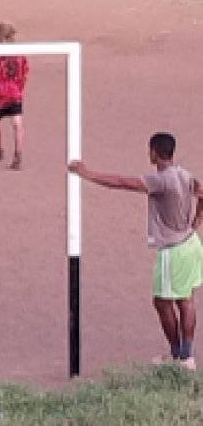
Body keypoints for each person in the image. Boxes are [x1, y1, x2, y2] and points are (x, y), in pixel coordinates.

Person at [69, 133, 203, 371]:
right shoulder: (185, 175)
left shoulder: (161, 181)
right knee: (186, 299)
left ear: (154, 152)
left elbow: (121, 182)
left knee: (162, 302)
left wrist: (87, 173)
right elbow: (201, 193)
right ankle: (187, 356)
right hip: (192, 244)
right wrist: (195, 223)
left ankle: (179, 357)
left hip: (173, 251)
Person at [0, 22, 29, 170]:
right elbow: (25, 72)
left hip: (0, 93)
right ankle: (18, 155)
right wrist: (20, 89)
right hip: (15, 92)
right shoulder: (20, 53)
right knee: (17, 124)